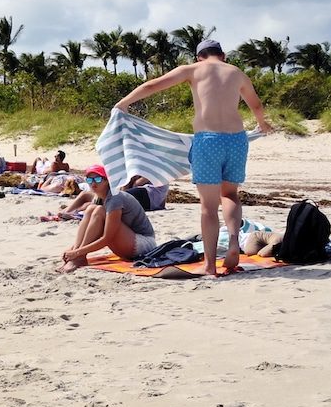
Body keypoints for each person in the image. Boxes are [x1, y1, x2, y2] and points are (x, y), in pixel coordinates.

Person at [114, 38, 274, 276]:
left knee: (208, 208)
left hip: (208, 140)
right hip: (237, 140)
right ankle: (232, 241)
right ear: (223, 55)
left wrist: (123, 103)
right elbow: (257, 105)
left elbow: (152, 86)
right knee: (229, 194)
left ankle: (210, 265)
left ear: (199, 57)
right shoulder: (237, 73)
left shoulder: (192, 70)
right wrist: (262, 124)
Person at [57, 165, 155, 272]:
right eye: (89, 180)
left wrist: (77, 252)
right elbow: (93, 231)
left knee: (99, 211)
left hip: (144, 245)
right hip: (129, 240)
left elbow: (107, 238)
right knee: (91, 209)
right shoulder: (100, 198)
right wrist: (74, 249)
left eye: (98, 179)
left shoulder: (114, 198)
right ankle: (78, 256)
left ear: (107, 181)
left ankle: (79, 257)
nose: (93, 183)